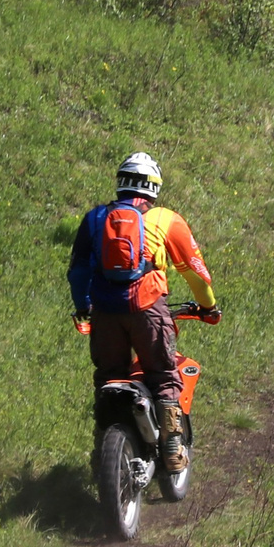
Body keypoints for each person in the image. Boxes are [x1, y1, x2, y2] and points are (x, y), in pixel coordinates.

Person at [68, 152, 218, 472]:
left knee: (109, 379)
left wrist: (84, 308)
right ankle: (173, 447)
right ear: (153, 187)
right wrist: (208, 307)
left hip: (105, 315)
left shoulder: (95, 218)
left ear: (121, 182)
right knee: (164, 376)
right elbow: (196, 273)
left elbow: (78, 271)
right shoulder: (165, 219)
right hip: (147, 310)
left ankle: (102, 454)